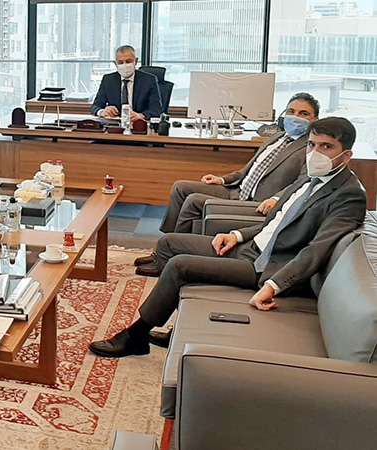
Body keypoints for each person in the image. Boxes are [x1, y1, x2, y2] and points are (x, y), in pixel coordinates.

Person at [89, 117, 366, 358]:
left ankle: (136, 336)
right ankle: (172, 326)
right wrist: (237, 234)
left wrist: (273, 285)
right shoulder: (311, 176)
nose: (315, 153)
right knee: (172, 244)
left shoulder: (349, 195)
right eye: (312, 145)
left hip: (267, 266)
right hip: (252, 247)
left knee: (179, 265)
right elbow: (277, 222)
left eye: (326, 147)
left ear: (346, 156)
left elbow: (317, 249)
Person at [135, 93, 320, 276]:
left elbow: (305, 180)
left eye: (303, 113)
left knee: (193, 200)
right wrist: (222, 180)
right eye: (291, 111)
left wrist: (277, 198)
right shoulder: (277, 137)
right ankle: (164, 249)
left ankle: (171, 255)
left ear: (315, 119)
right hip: (238, 189)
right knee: (180, 187)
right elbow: (248, 170)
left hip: (257, 201)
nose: (295, 117)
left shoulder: (311, 147)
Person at [91, 45, 162, 121]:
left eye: (128, 61)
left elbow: (156, 110)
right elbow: (95, 106)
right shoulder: (108, 80)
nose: (124, 65)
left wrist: (141, 115)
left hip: (139, 124)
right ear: (115, 63)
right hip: (115, 124)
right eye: (120, 62)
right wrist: (102, 111)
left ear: (136, 61)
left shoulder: (149, 80)